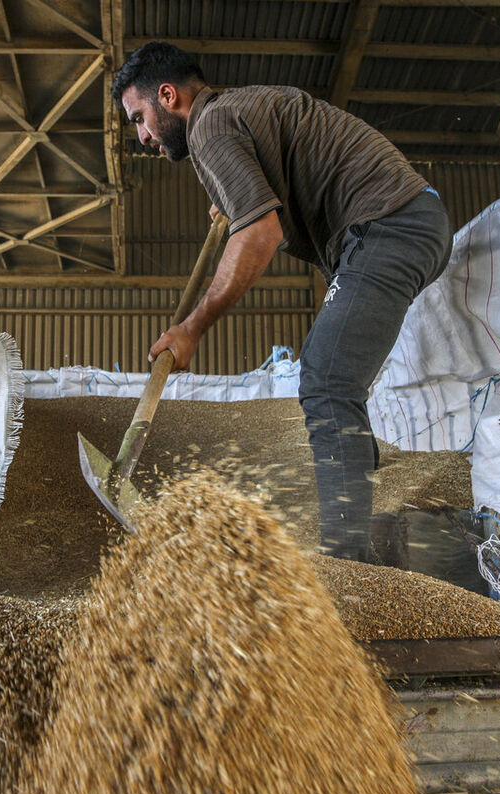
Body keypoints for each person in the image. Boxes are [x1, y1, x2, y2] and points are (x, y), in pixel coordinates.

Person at [111, 42, 453, 563]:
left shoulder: (211, 127)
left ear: (167, 95)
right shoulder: (233, 116)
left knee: (326, 379)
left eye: (140, 118)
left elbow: (260, 233)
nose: (142, 135)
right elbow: (263, 188)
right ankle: (374, 531)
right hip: (399, 224)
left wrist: (192, 328)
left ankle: (347, 567)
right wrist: (231, 196)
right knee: (337, 384)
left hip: (391, 225)